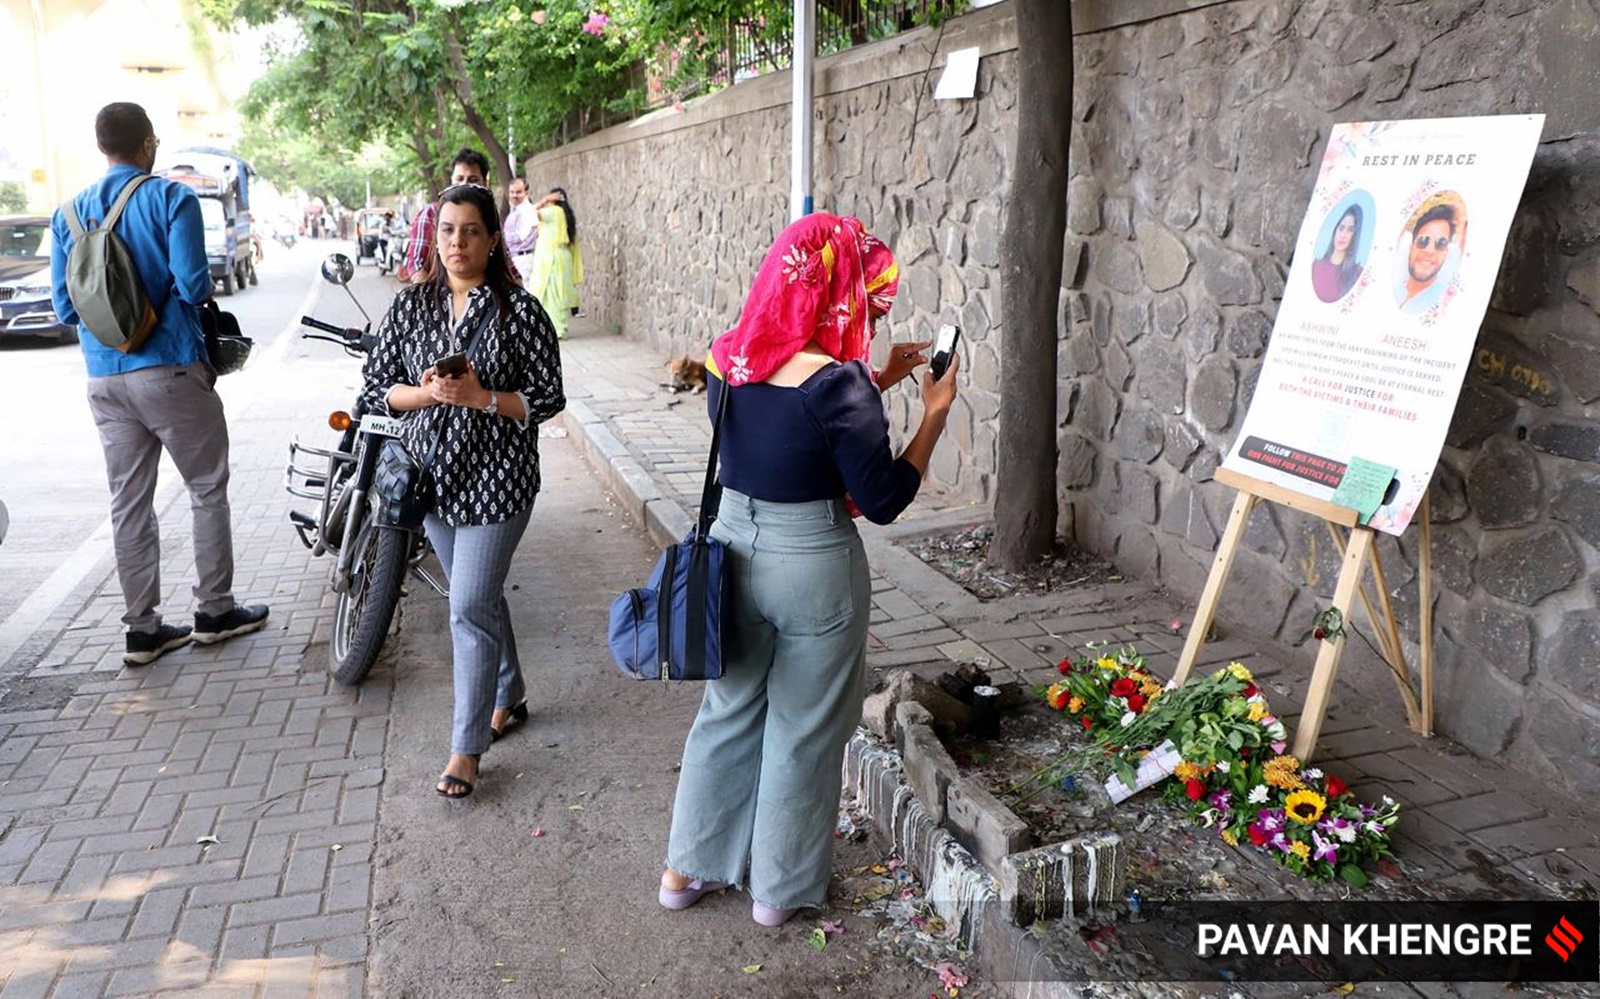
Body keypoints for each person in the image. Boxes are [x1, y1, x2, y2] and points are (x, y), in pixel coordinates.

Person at [657, 213, 958, 927]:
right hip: (813, 565)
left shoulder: (729, 356)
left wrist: (879, 378)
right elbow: (881, 497)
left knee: (726, 712)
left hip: (731, 550)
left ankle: (684, 870)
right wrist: (934, 414)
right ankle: (777, 889)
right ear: (840, 291)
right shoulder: (838, 385)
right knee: (802, 724)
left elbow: (779, 436)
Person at [360, 183, 566, 798]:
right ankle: (511, 694)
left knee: (467, 605)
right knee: (479, 597)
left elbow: (549, 398)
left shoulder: (520, 312)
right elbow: (377, 390)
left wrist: (482, 398)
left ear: (492, 238)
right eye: (447, 230)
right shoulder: (411, 307)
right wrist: (429, 393)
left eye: (471, 230)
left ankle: (466, 749)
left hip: (498, 483)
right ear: (435, 235)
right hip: (432, 479)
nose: (457, 242)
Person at [48, 102, 269, 667]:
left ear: (102, 146)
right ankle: (215, 611)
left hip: (104, 378)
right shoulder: (172, 198)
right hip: (170, 367)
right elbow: (195, 285)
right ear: (148, 144)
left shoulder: (66, 215)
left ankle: (142, 630)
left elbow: (64, 309)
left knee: (129, 505)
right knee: (206, 488)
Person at [400, 149, 490, 282]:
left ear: (484, 183)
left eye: (473, 179)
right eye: (459, 179)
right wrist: (428, 300)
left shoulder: (490, 216)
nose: (464, 185)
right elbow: (417, 264)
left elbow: (509, 268)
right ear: (451, 180)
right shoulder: (431, 214)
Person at [527, 187, 583, 339]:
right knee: (556, 295)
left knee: (550, 295)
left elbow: (528, 214)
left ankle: (557, 330)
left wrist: (544, 200)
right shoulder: (566, 215)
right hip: (562, 258)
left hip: (551, 260)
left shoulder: (553, 212)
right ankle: (557, 328)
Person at [1396, 203, 1458, 315]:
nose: (1429, 251)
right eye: (1423, 241)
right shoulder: (1393, 287)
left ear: (1446, 253)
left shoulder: (1445, 305)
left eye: (1441, 243)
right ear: (1411, 246)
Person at [1311, 204, 1363, 303]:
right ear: (1335, 230)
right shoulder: (1315, 266)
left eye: (1350, 230)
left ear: (1355, 236)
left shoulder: (1358, 274)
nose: (1343, 235)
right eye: (1341, 228)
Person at [503, 178, 539, 282]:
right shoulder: (515, 211)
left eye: (518, 192)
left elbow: (521, 236)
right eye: (512, 192)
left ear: (526, 192)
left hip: (524, 259)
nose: (514, 195)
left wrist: (502, 236)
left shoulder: (527, 211)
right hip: (516, 258)